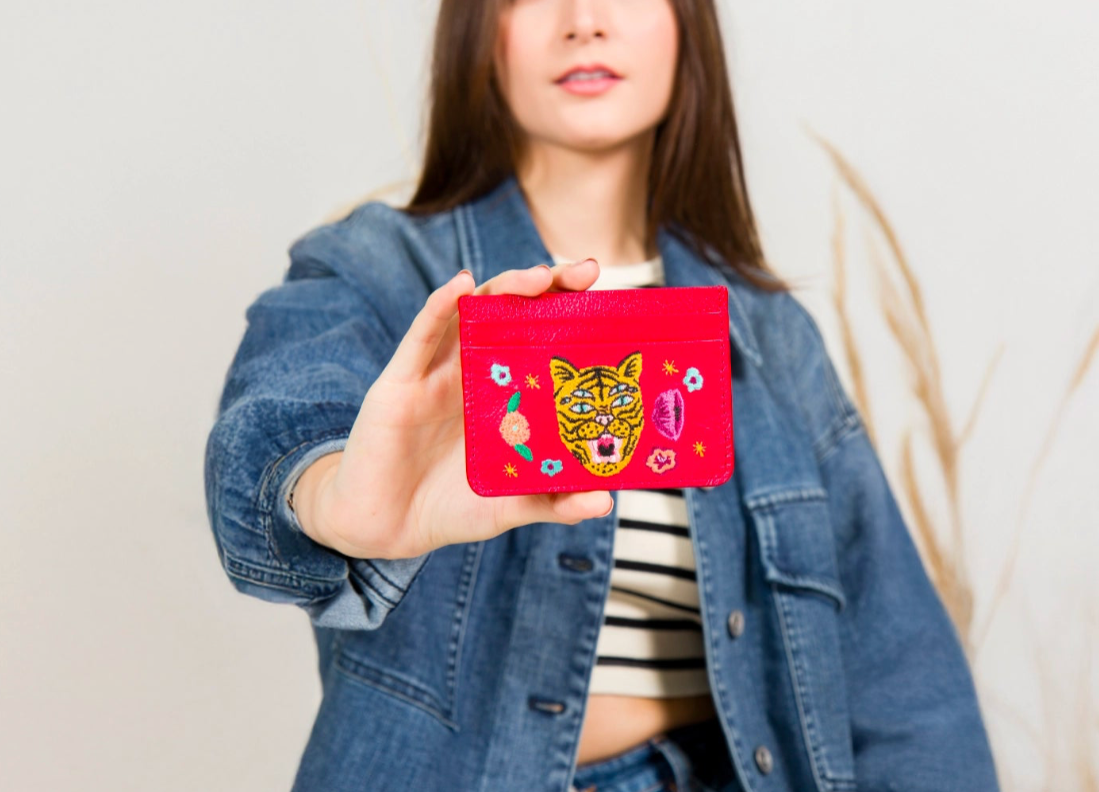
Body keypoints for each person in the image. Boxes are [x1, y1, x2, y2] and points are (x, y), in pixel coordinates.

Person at [200, 1, 1000, 790]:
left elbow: (905, 684)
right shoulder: (380, 269)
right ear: (482, 31)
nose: (584, 19)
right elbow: (265, 435)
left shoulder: (769, 334)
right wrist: (331, 498)